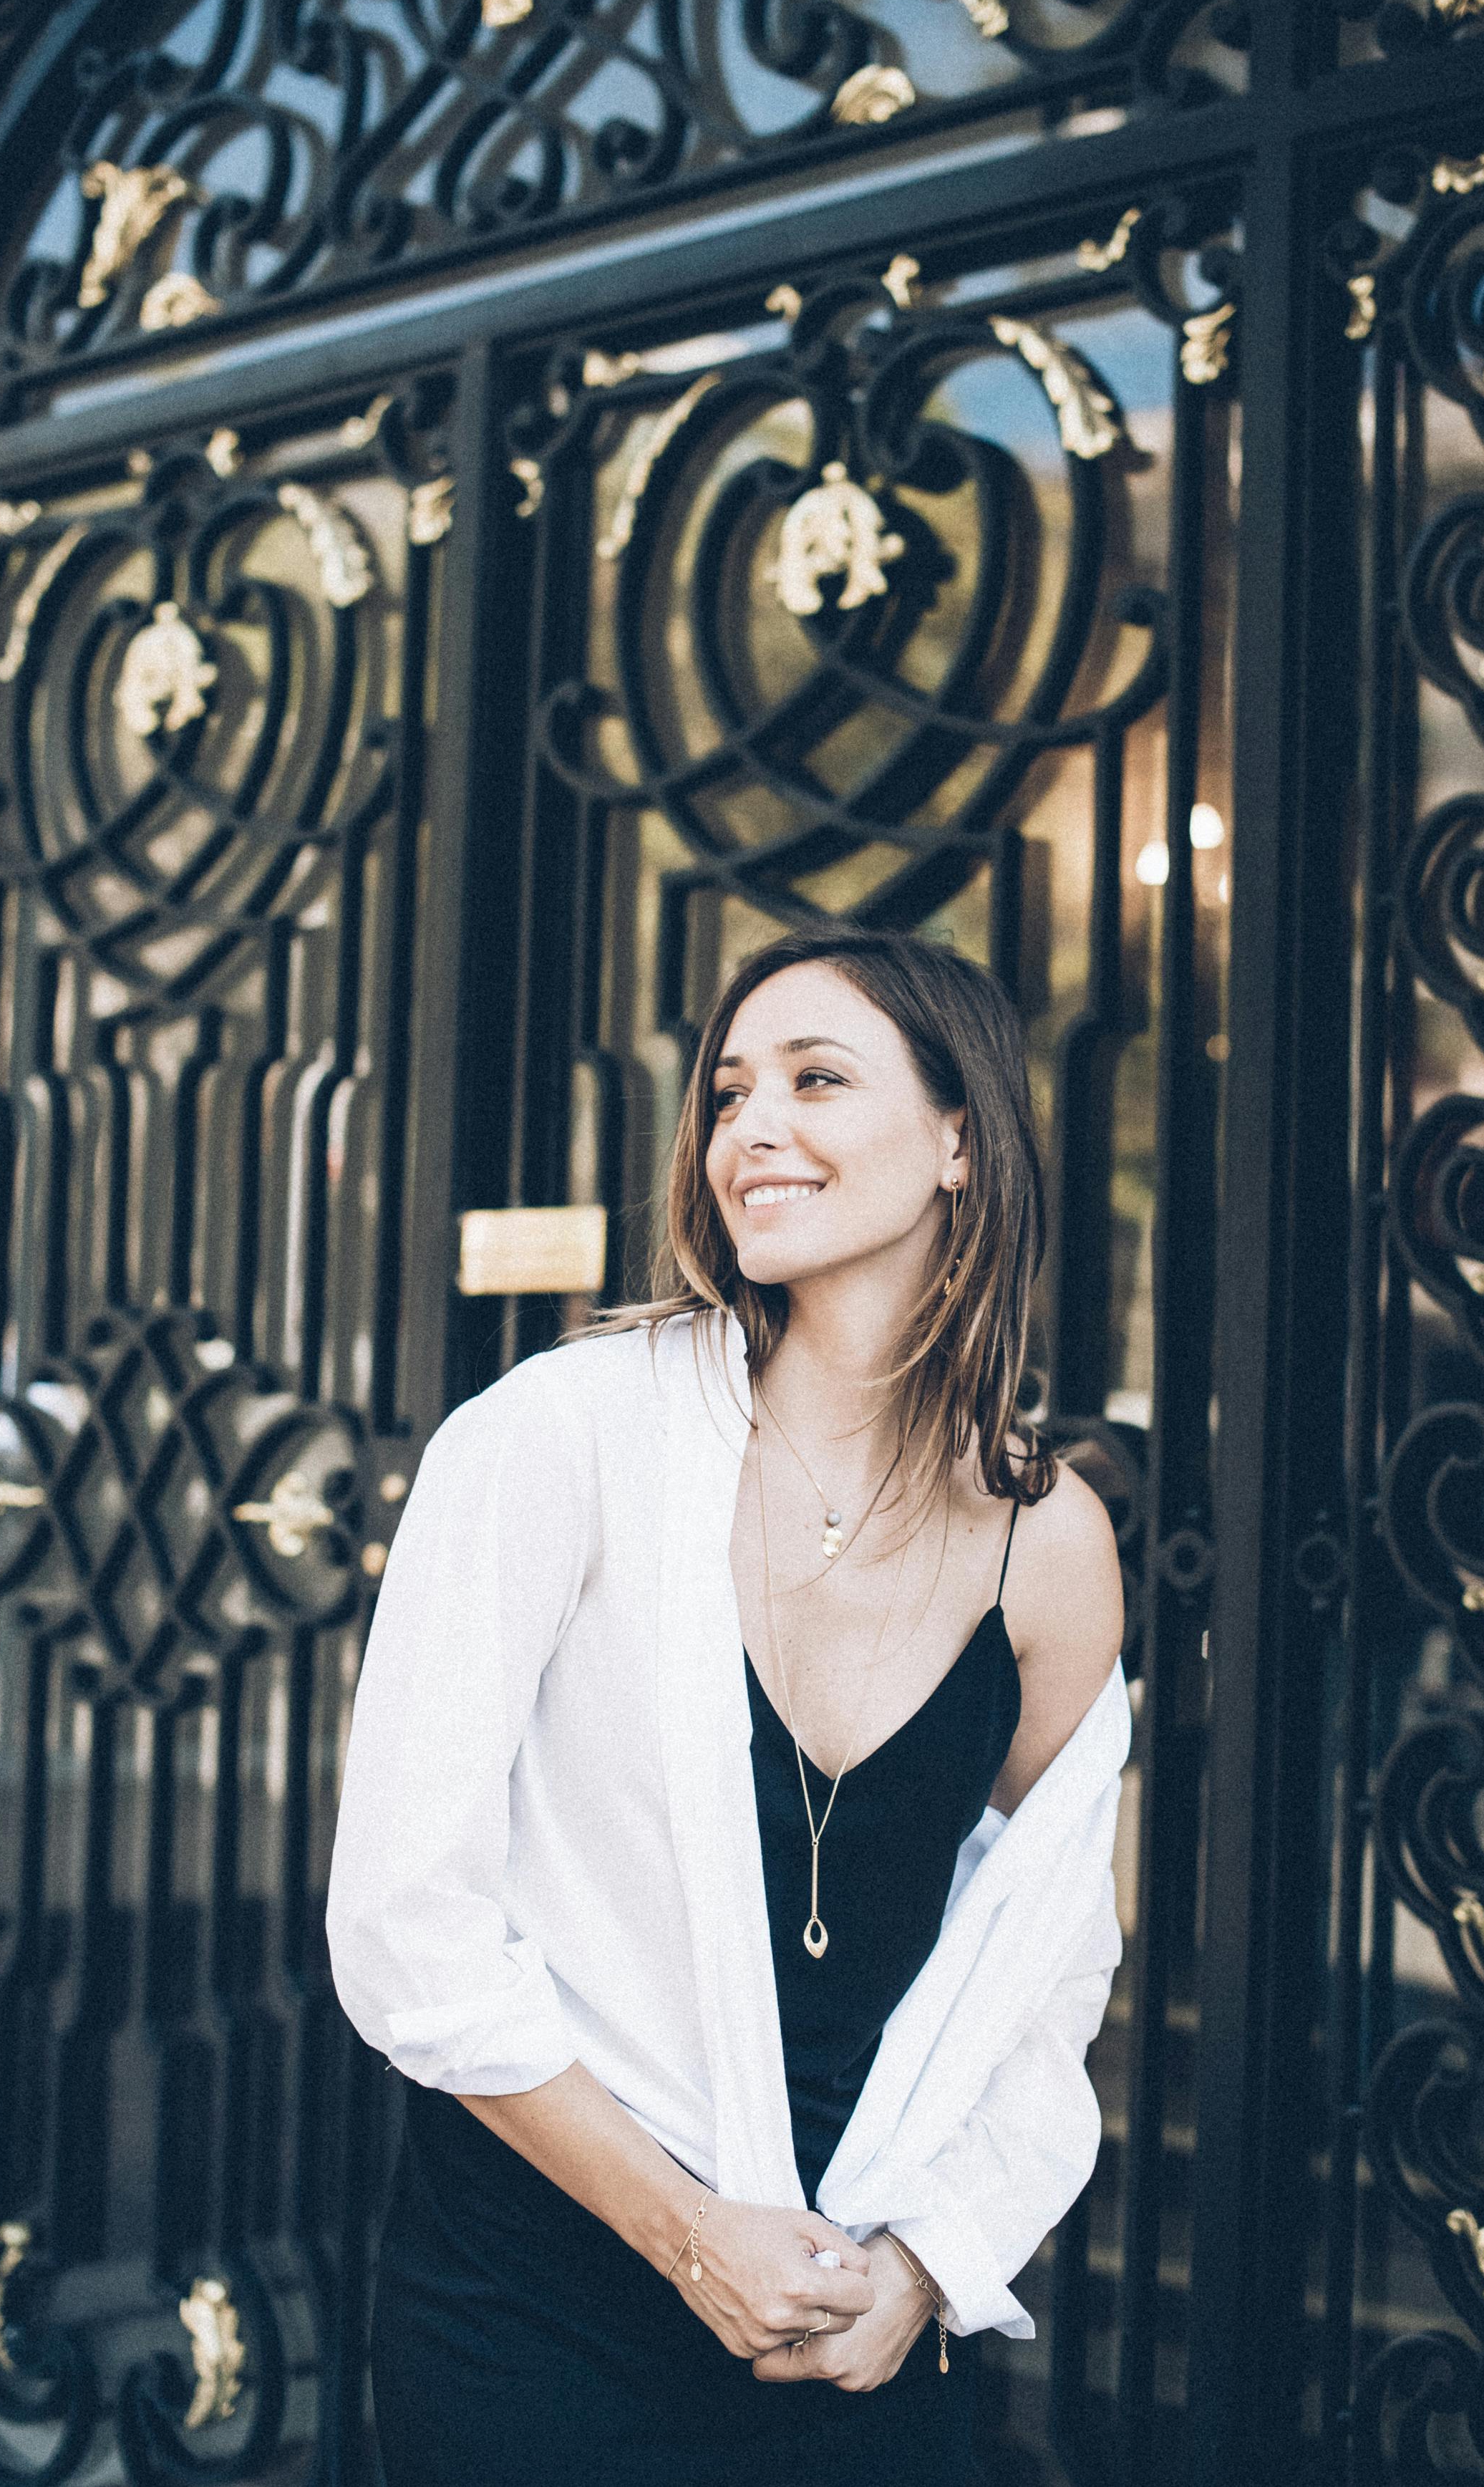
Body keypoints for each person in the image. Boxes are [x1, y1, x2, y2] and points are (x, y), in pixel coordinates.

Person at [326, 925, 1129, 2486]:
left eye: (816, 1079)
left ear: (960, 1137)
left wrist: (921, 2266)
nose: (748, 1125)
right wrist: (691, 2234)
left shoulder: (1051, 1540)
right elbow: (405, 1919)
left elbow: (1041, 1965)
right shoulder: (554, 1440)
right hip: (535, 2313)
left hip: (855, 2325)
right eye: (727, 1092)